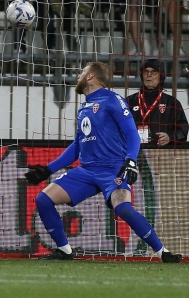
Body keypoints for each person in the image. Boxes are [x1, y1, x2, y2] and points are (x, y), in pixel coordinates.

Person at [24, 61, 183, 263]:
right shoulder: (84, 107)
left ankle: (163, 252)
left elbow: (132, 134)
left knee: (123, 209)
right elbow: (77, 146)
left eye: (83, 71)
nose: (79, 75)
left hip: (113, 169)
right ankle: (64, 251)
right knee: (43, 199)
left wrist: (131, 162)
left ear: (91, 76)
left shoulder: (112, 100)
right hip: (87, 170)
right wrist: (47, 170)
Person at [126, 59, 188, 146]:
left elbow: (183, 130)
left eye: (154, 72)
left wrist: (170, 137)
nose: (149, 75)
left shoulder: (172, 103)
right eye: (146, 71)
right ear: (141, 75)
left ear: (161, 76)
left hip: (161, 154)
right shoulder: (129, 101)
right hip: (134, 152)